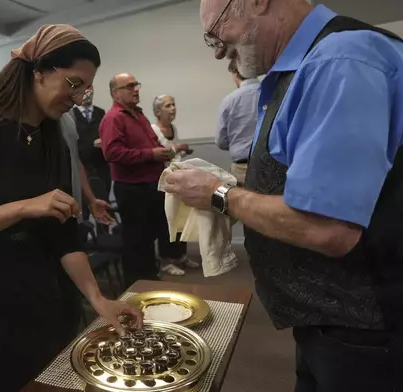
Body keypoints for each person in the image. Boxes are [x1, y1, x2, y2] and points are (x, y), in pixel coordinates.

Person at [166, 0, 403, 390]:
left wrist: (220, 193)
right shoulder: (300, 68)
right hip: (324, 319)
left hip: (366, 329)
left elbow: (327, 228)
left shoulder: (338, 60)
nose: (219, 51)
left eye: (216, 32)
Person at [0, 25, 142, 392]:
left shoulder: (51, 138)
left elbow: (62, 232)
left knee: (46, 376)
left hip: (39, 286)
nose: (77, 98)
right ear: (38, 71)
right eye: (73, 83)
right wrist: (24, 207)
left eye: (85, 89)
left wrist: (96, 297)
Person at [100, 73, 174, 286]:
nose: (136, 89)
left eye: (136, 85)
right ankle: (136, 288)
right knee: (136, 243)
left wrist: (163, 151)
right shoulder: (114, 118)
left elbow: (149, 143)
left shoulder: (138, 115)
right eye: (129, 86)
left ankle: (150, 281)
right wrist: (151, 155)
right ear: (116, 93)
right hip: (132, 189)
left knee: (148, 240)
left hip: (150, 186)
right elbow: (112, 153)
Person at [150, 95, 197, 274]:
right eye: (168, 105)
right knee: (166, 221)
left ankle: (180, 256)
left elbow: (173, 155)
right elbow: (162, 154)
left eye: (173, 104)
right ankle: (166, 260)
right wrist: (178, 148)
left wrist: (181, 151)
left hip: (178, 178)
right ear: (158, 111)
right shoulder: (153, 130)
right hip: (163, 181)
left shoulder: (173, 128)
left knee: (181, 219)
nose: (173, 108)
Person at [215, 59, 260, 185]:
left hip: (242, 168)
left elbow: (221, 141)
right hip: (273, 166)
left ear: (235, 73)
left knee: (242, 202)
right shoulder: (274, 93)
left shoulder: (229, 101)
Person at [71, 94, 110, 205]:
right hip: (82, 165)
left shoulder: (100, 113)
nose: (87, 93)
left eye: (90, 88)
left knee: (104, 200)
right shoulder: (71, 114)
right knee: (83, 202)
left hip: (101, 165)